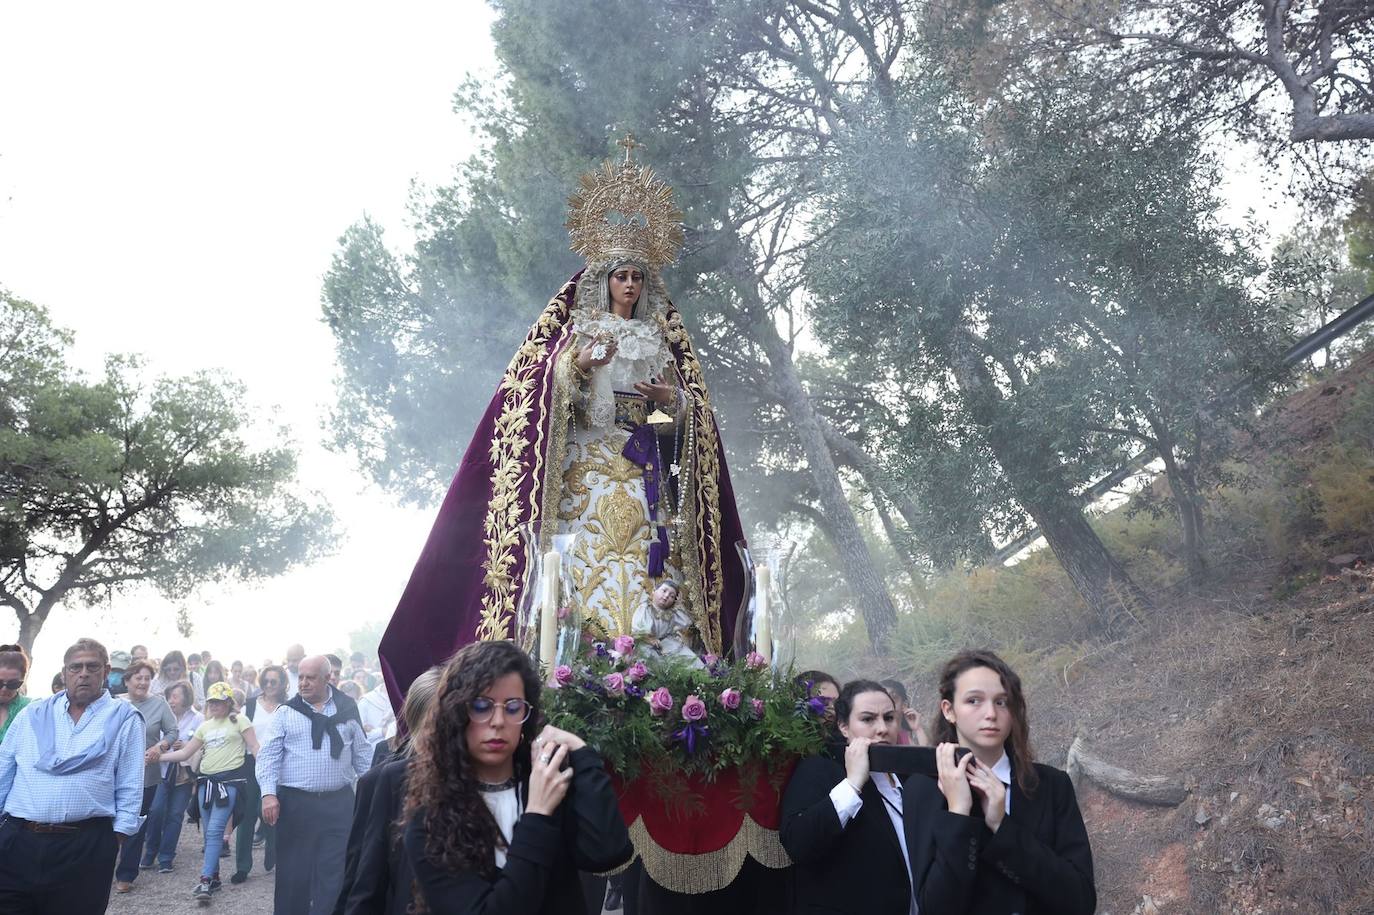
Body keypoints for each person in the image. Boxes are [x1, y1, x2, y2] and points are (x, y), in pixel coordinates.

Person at [380, 140, 746, 710]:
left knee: (654, 575)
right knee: (578, 572)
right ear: (603, 280)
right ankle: (579, 672)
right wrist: (574, 370)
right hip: (583, 482)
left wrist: (664, 404)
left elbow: (675, 430)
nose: (631, 285)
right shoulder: (574, 338)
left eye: (638, 278)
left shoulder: (658, 344)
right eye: (622, 275)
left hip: (640, 477)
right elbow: (539, 409)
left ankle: (658, 673)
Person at [402, 640, 632, 914]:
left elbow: (608, 853)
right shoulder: (431, 818)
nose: (498, 721)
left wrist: (581, 753)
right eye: (481, 706)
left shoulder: (547, 781)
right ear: (457, 713)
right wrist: (537, 814)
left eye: (512, 708)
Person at [906, 650, 1095, 915]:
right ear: (949, 710)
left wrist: (1001, 826)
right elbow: (936, 908)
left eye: (1002, 702)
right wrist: (958, 812)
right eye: (974, 701)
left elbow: (1080, 901)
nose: (991, 714)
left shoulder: (1052, 784)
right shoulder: (922, 789)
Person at [0, 637, 145, 913]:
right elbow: (4, 770)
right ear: (64, 673)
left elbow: (130, 785)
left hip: (85, 846)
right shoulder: (32, 714)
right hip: (19, 842)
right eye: (75, 668)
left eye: (92, 667)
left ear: (106, 670)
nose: (83, 674)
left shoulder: (125, 718)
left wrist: (114, 842)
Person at [781, 679, 914, 915]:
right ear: (843, 726)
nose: (882, 728)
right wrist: (852, 784)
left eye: (889, 717)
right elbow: (798, 843)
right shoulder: (820, 768)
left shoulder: (908, 775)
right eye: (867, 719)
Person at [257, 655, 371, 914]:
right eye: (301, 677)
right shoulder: (286, 712)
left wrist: (370, 796)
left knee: (334, 874)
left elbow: (362, 756)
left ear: (328, 678)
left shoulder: (347, 708)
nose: (304, 683)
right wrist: (268, 795)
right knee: (293, 874)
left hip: (338, 804)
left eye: (311, 678)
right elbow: (268, 757)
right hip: (296, 804)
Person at [333, 665, 442, 915]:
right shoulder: (381, 781)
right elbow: (362, 873)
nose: (446, 734)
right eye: (435, 723)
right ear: (415, 722)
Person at [158, 681, 262, 902]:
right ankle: (214, 878)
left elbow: (254, 747)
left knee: (215, 831)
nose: (214, 705)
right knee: (209, 833)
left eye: (219, 701)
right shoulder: (205, 726)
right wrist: (157, 757)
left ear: (228, 702)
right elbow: (185, 753)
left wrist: (266, 767)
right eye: (211, 701)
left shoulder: (240, 720)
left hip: (229, 783)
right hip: (205, 784)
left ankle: (205, 881)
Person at [113, 658, 180, 893]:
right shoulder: (115, 704)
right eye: (138, 678)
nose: (143, 682)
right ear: (127, 681)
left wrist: (159, 747)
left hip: (146, 776)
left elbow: (173, 731)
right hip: (114, 775)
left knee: (136, 823)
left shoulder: (159, 704)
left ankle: (126, 874)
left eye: (147, 678)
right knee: (109, 822)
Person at [142, 680, 202, 873]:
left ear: (187, 697)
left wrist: (185, 746)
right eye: (169, 697)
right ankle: (150, 852)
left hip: (184, 774)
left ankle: (166, 857)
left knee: (176, 815)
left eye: (175, 696)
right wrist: (167, 743)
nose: (171, 700)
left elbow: (201, 744)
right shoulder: (162, 714)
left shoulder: (198, 718)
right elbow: (153, 739)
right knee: (156, 811)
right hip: (160, 771)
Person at [237, 663, 288, 881]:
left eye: (273, 681)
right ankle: (242, 866)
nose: (269, 685)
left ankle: (273, 852)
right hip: (250, 764)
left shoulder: (289, 707)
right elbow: (237, 729)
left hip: (279, 766)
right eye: (265, 681)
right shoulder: (249, 705)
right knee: (246, 815)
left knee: (267, 811)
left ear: (282, 683)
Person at [880, 678, 929, 747]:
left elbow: (926, 754)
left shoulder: (905, 736)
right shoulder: (878, 733)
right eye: (883, 698)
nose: (888, 702)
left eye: (893, 697)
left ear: (904, 705)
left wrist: (918, 728)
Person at [0, 643, 33, 743]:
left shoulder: (30, 709)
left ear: (23, 680)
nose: (4, 689)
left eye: (13, 684)